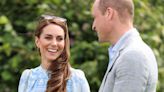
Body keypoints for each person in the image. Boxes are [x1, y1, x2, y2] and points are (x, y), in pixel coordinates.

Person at [91, 0, 158, 92]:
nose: (93, 26)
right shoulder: (129, 52)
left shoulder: (133, 55)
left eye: (95, 17)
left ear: (109, 13)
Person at [18, 14, 90, 92]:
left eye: (59, 39)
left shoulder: (77, 78)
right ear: (37, 41)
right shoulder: (28, 77)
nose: (54, 43)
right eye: (48, 38)